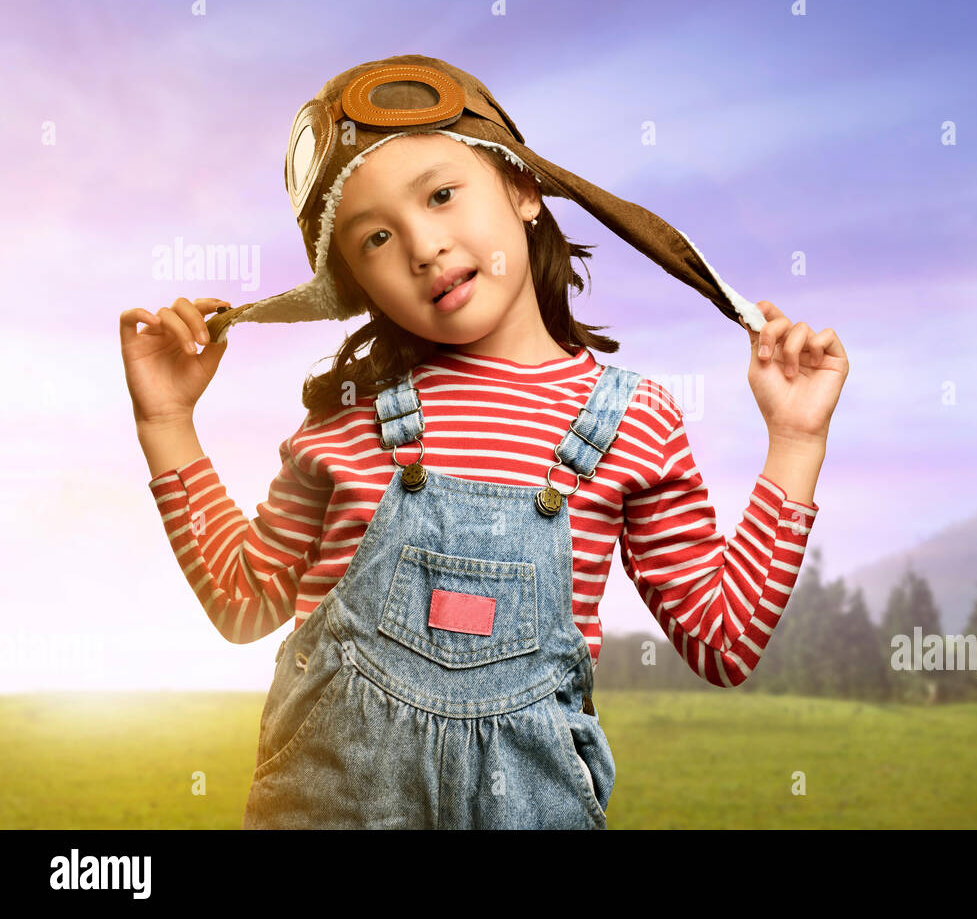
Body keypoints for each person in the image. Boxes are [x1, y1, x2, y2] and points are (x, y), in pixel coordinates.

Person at [119, 55, 848, 829]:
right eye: (374, 238)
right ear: (356, 284)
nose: (423, 247)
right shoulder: (346, 415)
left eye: (440, 194)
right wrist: (167, 424)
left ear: (523, 188)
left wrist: (796, 440)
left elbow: (723, 640)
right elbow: (242, 602)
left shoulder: (636, 420)